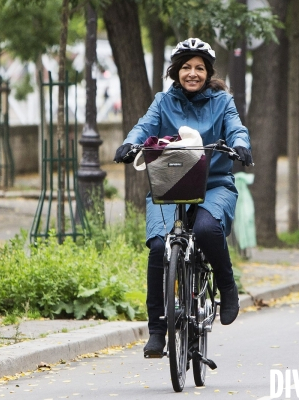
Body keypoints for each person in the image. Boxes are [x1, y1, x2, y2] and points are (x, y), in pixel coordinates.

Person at [113, 38, 253, 358]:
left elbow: (235, 128)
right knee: (160, 246)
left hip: (213, 185)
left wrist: (241, 145)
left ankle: (227, 286)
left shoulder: (222, 101)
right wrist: (131, 143)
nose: (193, 73)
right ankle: (158, 330)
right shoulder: (163, 101)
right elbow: (144, 126)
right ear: (176, 72)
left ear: (208, 72)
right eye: (186, 67)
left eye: (199, 68)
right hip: (169, 185)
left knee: (205, 230)